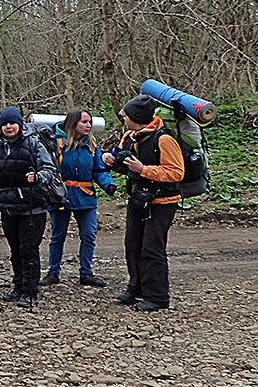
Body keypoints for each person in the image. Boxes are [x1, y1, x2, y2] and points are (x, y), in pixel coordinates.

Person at [0, 107, 58, 309]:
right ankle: (18, 286)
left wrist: (37, 178)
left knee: (28, 250)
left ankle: (30, 291)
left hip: (32, 206)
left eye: (12, 123)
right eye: (5, 124)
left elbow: (49, 170)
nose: (9, 127)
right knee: (15, 250)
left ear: (20, 124)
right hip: (8, 205)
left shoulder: (34, 144)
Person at [102, 94, 184, 312]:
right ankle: (135, 287)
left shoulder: (164, 139)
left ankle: (157, 297)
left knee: (152, 248)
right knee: (133, 244)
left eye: (126, 116)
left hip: (163, 201)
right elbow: (121, 159)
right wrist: (109, 160)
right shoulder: (130, 136)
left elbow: (176, 172)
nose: (124, 120)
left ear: (137, 117)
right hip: (138, 198)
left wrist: (144, 170)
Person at [39, 108, 117, 288]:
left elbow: (98, 170)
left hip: (86, 197)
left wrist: (109, 184)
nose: (88, 125)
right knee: (58, 236)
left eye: (89, 122)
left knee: (89, 235)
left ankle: (86, 273)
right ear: (73, 124)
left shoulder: (91, 146)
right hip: (61, 197)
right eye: (84, 122)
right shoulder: (56, 144)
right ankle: (53, 272)